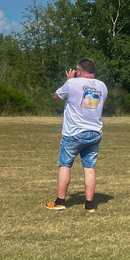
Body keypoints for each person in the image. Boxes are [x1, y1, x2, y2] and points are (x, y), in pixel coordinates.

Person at [46, 58, 108, 213]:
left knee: (65, 165)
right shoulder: (102, 86)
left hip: (74, 132)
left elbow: (56, 97)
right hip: (94, 132)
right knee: (89, 167)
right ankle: (89, 204)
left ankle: (60, 201)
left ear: (79, 71)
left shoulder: (72, 83)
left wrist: (69, 80)